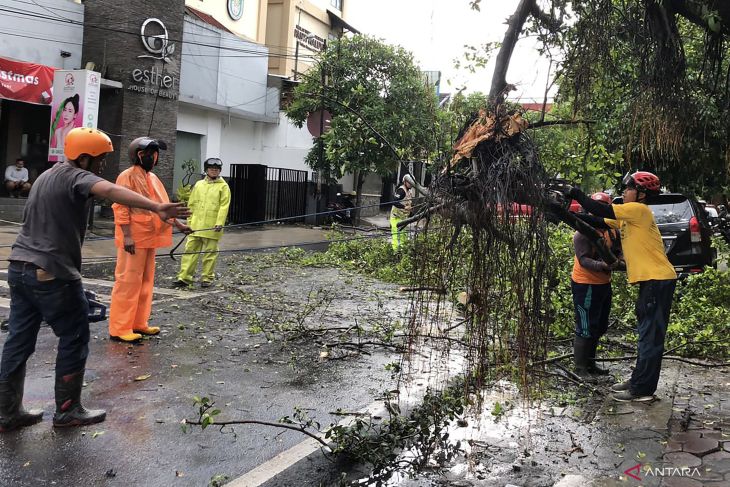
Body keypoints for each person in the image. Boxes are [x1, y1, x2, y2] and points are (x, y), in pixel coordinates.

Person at [0, 128, 190, 432]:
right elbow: (111, 192)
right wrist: (156, 207)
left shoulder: (46, 176)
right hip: (52, 271)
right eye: (100, 159)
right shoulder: (77, 176)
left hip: (20, 268)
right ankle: (68, 411)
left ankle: (7, 413)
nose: (102, 165)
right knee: (75, 336)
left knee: (19, 341)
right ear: (84, 158)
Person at [557, 171, 677, 402]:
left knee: (650, 336)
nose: (624, 192)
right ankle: (638, 381)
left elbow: (602, 210)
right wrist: (565, 213)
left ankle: (642, 390)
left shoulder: (639, 211)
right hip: (652, 281)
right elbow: (597, 220)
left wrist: (575, 193)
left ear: (641, 194)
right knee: (645, 333)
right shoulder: (629, 217)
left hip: (657, 280)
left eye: (628, 188)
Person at [108, 138, 192, 343]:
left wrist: (178, 224)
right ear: (139, 154)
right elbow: (120, 207)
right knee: (128, 282)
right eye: (151, 153)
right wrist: (127, 235)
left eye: (156, 153)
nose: (154, 157)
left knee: (145, 283)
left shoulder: (152, 178)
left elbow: (162, 206)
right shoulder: (125, 177)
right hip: (133, 240)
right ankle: (120, 327)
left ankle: (138, 323)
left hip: (149, 237)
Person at [571, 192, 621, 380]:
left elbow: (617, 250)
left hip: (603, 284)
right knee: (585, 326)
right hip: (586, 284)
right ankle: (580, 368)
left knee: (600, 325)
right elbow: (584, 260)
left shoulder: (610, 230)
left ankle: (590, 363)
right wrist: (603, 265)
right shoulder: (582, 233)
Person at [172, 157, 231, 289]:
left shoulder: (224, 187)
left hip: (212, 226)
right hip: (195, 225)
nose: (214, 171)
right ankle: (184, 277)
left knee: (210, 253)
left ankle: (207, 278)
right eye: (211, 169)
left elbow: (224, 206)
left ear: (219, 171)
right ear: (206, 170)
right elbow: (192, 203)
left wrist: (219, 222)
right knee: (190, 251)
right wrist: (189, 221)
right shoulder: (198, 185)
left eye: (216, 170)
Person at [390, 175, 415, 250]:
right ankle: (396, 252)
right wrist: (404, 207)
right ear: (405, 182)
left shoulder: (410, 191)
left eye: (412, 182)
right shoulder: (401, 190)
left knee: (403, 236)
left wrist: (411, 214)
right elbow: (394, 201)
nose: (411, 184)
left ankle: (403, 251)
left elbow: (408, 203)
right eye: (409, 182)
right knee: (396, 236)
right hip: (396, 217)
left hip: (404, 218)